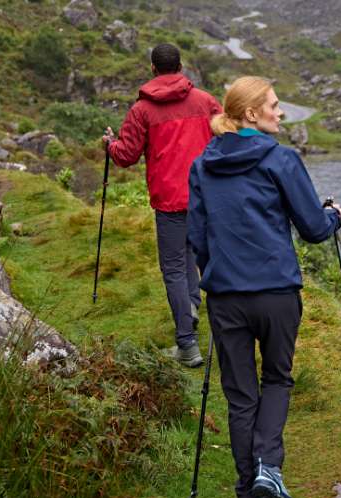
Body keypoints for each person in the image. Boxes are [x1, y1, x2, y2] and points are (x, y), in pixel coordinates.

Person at [187, 76, 341, 498]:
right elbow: (313, 229)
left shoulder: (202, 165)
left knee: (240, 397)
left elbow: (197, 236)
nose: (281, 112)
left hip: (225, 298)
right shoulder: (281, 159)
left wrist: (216, 274)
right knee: (276, 380)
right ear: (251, 114)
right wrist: (333, 216)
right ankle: (268, 470)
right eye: (274, 105)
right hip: (276, 293)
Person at [102, 43, 222, 368]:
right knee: (192, 257)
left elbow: (126, 155)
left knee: (173, 267)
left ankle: (187, 345)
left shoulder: (141, 111)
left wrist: (110, 145)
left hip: (169, 202)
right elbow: (225, 142)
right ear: (181, 66)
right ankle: (192, 307)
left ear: (153, 68)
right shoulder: (207, 102)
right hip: (203, 197)